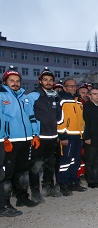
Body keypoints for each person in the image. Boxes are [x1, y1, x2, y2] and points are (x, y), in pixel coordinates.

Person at [0, 66, 41, 210]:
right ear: (5, 81)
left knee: (22, 170)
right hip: (9, 141)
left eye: (17, 80)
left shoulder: (24, 97)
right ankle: (4, 205)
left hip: (26, 140)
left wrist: (35, 134)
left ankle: (22, 197)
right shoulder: (2, 95)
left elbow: (32, 117)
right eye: (11, 80)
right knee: (6, 173)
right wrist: (3, 138)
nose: (15, 83)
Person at [27, 68, 62, 202]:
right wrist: (34, 134)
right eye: (45, 80)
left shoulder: (55, 96)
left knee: (50, 164)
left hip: (52, 136)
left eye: (50, 80)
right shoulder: (33, 96)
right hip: (39, 137)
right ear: (40, 81)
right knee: (36, 165)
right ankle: (35, 192)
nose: (48, 82)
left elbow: (58, 116)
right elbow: (29, 115)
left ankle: (48, 187)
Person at [57, 78, 86, 195]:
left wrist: (83, 134)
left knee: (76, 161)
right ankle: (64, 184)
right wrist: (63, 136)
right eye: (70, 86)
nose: (73, 88)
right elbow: (59, 120)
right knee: (65, 162)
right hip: (67, 136)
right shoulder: (61, 100)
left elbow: (82, 121)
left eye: (74, 86)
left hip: (78, 136)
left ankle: (74, 182)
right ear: (64, 88)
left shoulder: (78, 101)